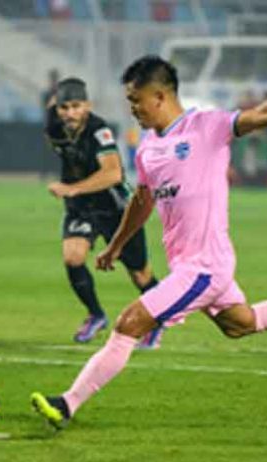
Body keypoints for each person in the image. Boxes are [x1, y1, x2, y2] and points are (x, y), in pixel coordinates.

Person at [31, 55, 267, 429]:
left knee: (129, 323)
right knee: (242, 322)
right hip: (192, 264)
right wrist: (115, 247)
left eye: (136, 101)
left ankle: (67, 404)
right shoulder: (148, 146)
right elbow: (143, 199)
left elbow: (265, 115)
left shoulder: (207, 126)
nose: (132, 110)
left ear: (160, 96)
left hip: (204, 266)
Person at [44, 76, 164, 348]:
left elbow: (113, 174)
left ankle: (158, 321)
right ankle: (96, 315)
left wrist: (73, 189)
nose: (70, 113)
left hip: (116, 209)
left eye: (76, 106)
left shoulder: (100, 131)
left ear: (88, 105)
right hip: (82, 209)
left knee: (140, 273)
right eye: (65, 107)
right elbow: (54, 108)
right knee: (73, 257)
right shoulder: (54, 123)